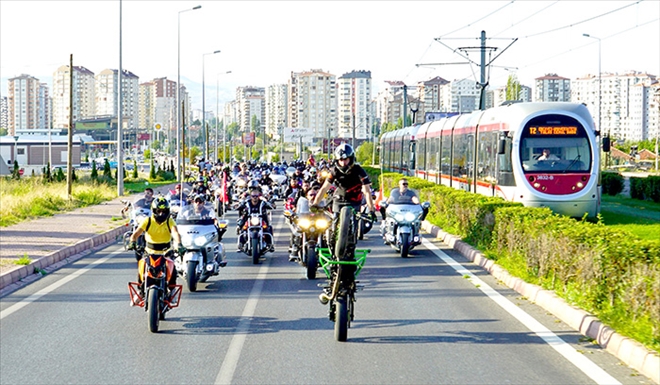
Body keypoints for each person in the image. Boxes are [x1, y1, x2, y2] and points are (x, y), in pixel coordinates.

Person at [312, 143, 376, 257]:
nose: (343, 163)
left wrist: (371, 210)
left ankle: (351, 246)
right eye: (340, 160)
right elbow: (324, 189)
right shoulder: (334, 171)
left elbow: (367, 191)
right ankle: (332, 241)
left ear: (351, 158)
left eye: (345, 160)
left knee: (354, 227)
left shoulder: (359, 171)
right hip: (339, 199)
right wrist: (315, 203)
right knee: (334, 221)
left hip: (355, 201)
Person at [128, 197, 182, 305]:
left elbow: (175, 233)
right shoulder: (147, 221)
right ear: (154, 211)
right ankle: (140, 290)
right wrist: (132, 241)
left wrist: (179, 244)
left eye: (164, 211)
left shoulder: (169, 221)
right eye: (159, 211)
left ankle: (172, 291)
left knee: (172, 267)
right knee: (141, 266)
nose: (161, 214)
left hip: (166, 253)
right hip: (149, 252)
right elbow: (136, 233)